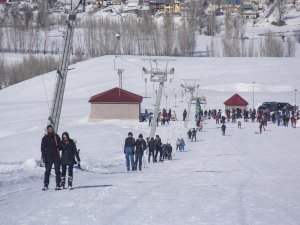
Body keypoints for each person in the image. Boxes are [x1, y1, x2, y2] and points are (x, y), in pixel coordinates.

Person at [41, 125, 61, 190]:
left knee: (57, 171)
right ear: (47, 130)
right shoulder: (44, 138)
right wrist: (44, 157)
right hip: (48, 157)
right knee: (47, 171)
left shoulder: (56, 136)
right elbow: (42, 149)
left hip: (56, 157)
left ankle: (58, 185)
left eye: (52, 129)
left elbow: (60, 146)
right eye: (49, 129)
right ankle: (46, 185)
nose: (51, 131)